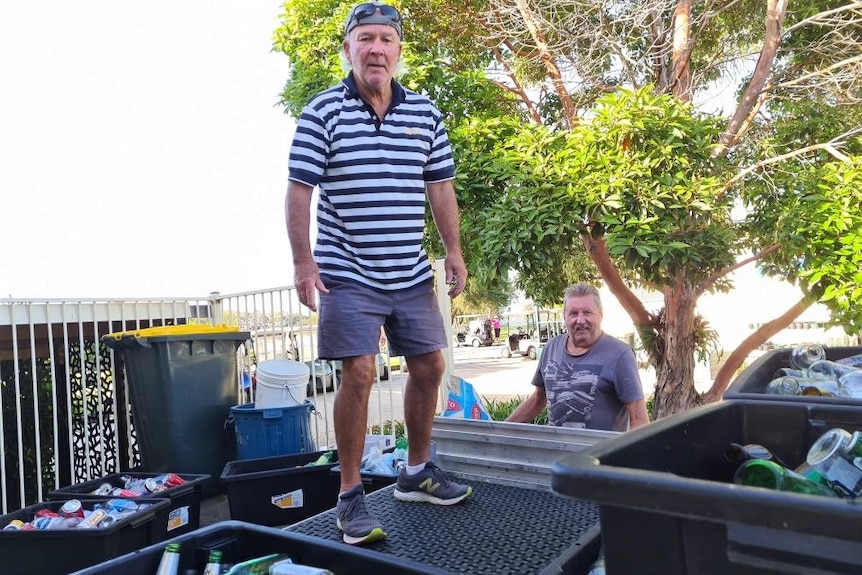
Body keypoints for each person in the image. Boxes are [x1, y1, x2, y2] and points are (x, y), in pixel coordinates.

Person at [285, 1, 472, 546]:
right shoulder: (323, 112)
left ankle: (415, 472)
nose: (376, 49)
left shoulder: (425, 114)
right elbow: (300, 189)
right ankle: (349, 496)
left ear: (398, 51)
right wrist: (303, 260)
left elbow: (440, 186)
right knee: (361, 373)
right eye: (364, 38)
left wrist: (454, 251)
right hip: (347, 269)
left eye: (385, 40)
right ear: (348, 48)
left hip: (410, 269)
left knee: (431, 365)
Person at [506, 284, 650, 431]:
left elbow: (639, 420)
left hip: (600, 454)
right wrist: (502, 428)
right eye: (573, 313)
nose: (580, 320)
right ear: (565, 317)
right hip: (557, 453)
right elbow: (538, 399)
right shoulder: (551, 347)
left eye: (587, 312)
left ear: (600, 315)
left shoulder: (620, 354)